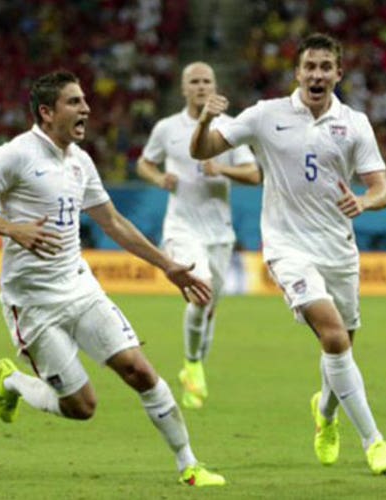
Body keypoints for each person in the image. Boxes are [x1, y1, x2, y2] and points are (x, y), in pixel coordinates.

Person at [0, 70, 225, 486]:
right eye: (74, 102)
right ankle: (13, 380)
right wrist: (13, 229)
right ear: (46, 112)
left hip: (80, 288)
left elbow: (113, 222)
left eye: (84, 100)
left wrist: (167, 264)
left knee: (139, 370)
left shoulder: (81, 161)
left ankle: (189, 464)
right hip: (33, 304)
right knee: (82, 406)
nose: (87, 108)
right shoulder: (14, 156)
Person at [190, 33, 386, 475]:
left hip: (338, 249)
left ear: (338, 74)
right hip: (287, 248)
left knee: (341, 345)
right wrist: (204, 122)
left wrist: (364, 202)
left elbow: (382, 189)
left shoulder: (355, 123)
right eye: (310, 66)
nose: (317, 74)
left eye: (326, 67)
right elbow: (202, 151)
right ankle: (374, 441)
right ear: (298, 72)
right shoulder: (267, 115)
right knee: (334, 336)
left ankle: (324, 415)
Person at [136, 62, 259, 410]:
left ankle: (194, 367)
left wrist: (221, 167)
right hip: (181, 228)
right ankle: (192, 364)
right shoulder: (167, 128)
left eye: (207, 81)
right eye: (195, 81)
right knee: (200, 294)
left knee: (209, 308)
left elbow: (254, 174)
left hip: (219, 232)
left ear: (215, 87)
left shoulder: (229, 130)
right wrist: (159, 179)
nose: (201, 86)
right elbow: (145, 163)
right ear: (183, 88)